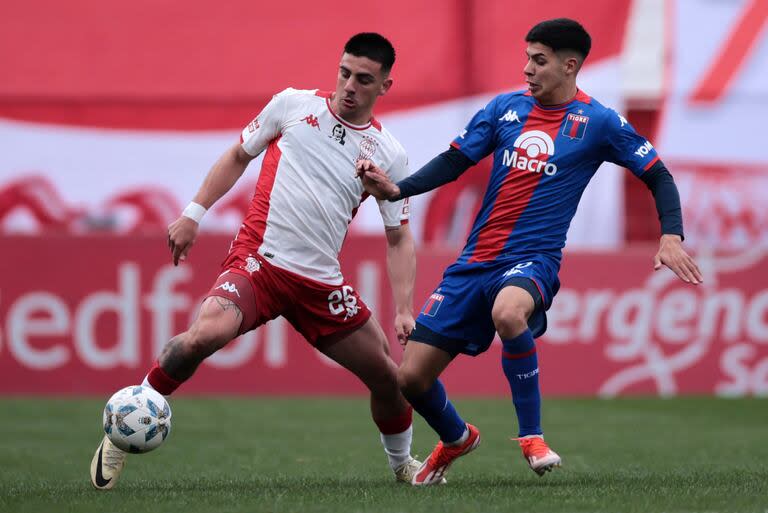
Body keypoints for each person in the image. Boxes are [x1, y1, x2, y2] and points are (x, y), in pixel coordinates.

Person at [357, 18, 704, 486]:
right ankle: (457, 437)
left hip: (533, 259)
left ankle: (531, 436)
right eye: (527, 58)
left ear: (570, 65)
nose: (527, 69)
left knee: (509, 314)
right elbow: (456, 161)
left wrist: (671, 234)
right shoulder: (504, 109)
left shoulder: (598, 122)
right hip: (474, 263)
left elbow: (658, 174)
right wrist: (399, 188)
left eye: (538, 61)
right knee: (410, 380)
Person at [91, 32, 424, 490]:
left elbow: (398, 236)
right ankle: (126, 425)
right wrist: (193, 214)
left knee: (390, 378)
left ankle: (403, 467)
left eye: (364, 79)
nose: (349, 85)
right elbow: (236, 155)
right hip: (259, 263)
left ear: (384, 86)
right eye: (344, 72)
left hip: (320, 283)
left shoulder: (390, 154)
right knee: (201, 338)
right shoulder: (291, 106)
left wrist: (404, 307)